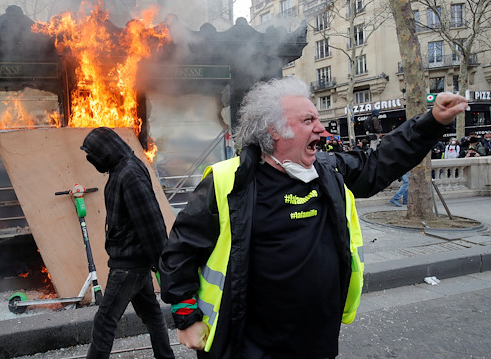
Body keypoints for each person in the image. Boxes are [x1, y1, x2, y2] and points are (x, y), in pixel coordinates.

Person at [159, 77, 467, 359]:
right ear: (274, 130)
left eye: (317, 119)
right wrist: (186, 317)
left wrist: (432, 121)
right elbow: (179, 251)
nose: (322, 129)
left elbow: (377, 165)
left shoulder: (328, 169)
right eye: (309, 120)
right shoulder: (229, 182)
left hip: (317, 340)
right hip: (248, 345)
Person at [80, 127, 175, 359]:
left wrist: (162, 263)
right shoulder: (120, 169)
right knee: (151, 315)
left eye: (93, 155)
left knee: (104, 321)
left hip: (128, 265)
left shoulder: (128, 174)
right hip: (132, 260)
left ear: (105, 152)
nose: (91, 160)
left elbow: (151, 222)